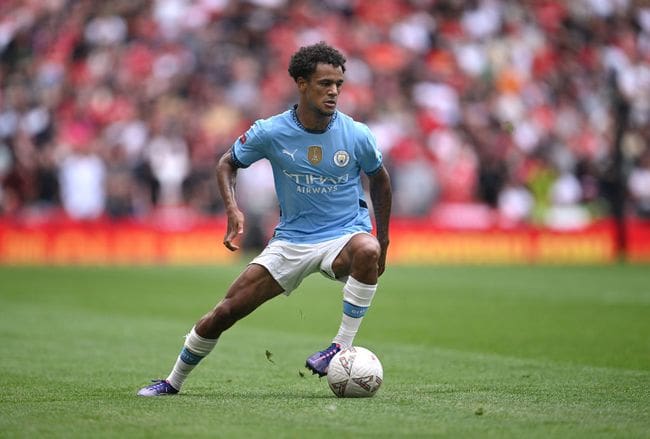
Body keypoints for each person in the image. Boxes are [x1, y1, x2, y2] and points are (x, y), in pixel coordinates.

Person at [137, 42, 392, 396]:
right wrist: (232, 208)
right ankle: (172, 381)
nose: (334, 92)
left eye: (338, 84)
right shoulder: (271, 132)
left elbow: (380, 179)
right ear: (301, 84)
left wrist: (384, 240)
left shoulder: (357, 135)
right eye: (324, 84)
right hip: (292, 241)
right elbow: (227, 163)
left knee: (367, 249)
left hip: (343, 235)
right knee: (225, 312)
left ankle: (339, 347)